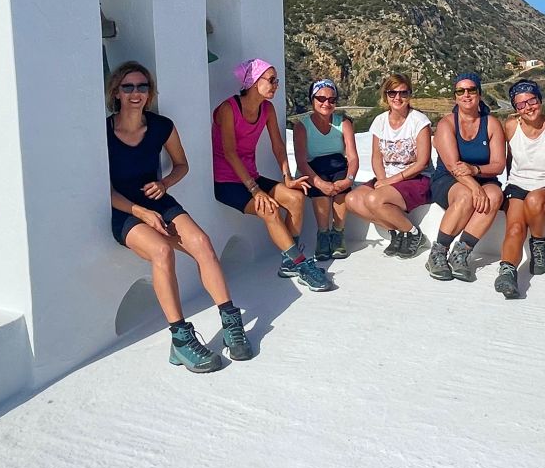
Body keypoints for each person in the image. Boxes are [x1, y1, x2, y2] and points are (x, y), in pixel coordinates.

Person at [106, 61, 252, 373]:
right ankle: (181, 339)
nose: (136, 93)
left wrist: (164, 184)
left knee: (202, 243)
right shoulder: (103, 131)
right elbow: (100, 188)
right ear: (116, 92)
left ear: (150, 92)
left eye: (142, 86)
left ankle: (230, 321)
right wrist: (140, 212)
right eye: (128, 87)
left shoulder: (161, 127)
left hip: (157, 201)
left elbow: (181, 164)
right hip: (122, 210)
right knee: (161, 251)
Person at [212, 58, 332, 291]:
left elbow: (278, 145)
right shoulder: (228, 109)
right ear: (254, 81)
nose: (276, 84)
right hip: (227, 181)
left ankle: (290, 262)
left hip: (251, 177)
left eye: (276, 80)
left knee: (296, 198)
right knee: (271, 209)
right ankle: (302, 264)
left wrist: (287, 177)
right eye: (271, 80)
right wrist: (255, 191)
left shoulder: (266, 109)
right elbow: (229, 152)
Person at [494, 80, 545, 299]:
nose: (528, 107)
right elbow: (510, 160)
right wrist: (510, 185)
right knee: (515, 228)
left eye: (532, 101)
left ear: (540, 100)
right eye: (521, 104)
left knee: (534, 200)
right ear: (515, 108)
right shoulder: (511, 126)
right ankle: (507, 273)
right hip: (517, 184)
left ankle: (538, 243)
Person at [425, 72, 507, 282]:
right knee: (466, 196)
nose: (466, 94)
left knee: (495, 196)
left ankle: (461, 252)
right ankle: (438, 252)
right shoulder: (446, 124)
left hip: (481, 176)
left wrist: (476, 171)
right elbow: (454, 167)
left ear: (479, 94)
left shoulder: (491, 124)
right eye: (460, 91)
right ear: (455, 96)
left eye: (471, 90)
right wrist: (475, 187)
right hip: (449, 180)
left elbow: (498, 165)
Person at [345, 73, 433, 259]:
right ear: (386, 96)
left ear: (410, 95)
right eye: (392, 93)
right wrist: (382, 179)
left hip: (416, 178)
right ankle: (400, 232)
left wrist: (391, 181)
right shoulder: (380, 121)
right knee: (352, 200)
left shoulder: (419, 122)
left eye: (403, 93)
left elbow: (422, 161)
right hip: (388, 178)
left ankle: (414, 234)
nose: (397, 98)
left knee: (374, 199)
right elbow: (377, 158)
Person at [293, 79, 359, 261]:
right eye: (321, 98)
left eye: (331, 100)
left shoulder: (343, 123)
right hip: (314, 168)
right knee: (320, 191)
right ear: (312, 100)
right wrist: (320, 183)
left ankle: (338, 233)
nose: (326, 103)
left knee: (341, 188)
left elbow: (352, 157)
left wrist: (349, 179)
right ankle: (323, 234)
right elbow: (301, 161)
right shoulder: (302, 127)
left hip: (337, 165)